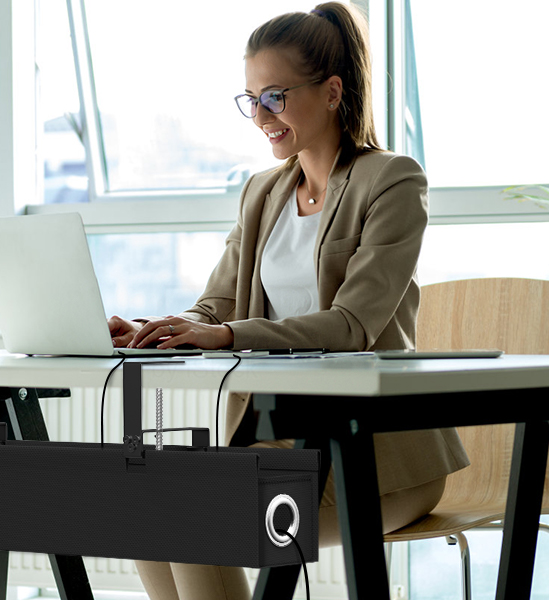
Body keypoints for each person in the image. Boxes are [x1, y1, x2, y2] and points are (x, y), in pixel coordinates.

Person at [105, 3, 469, 598]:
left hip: (377, 458)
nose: (260, 116)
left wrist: (226, 336)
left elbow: (353, 324)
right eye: (250, 99)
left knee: (192, 514)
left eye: (273, 96)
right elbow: (215, 307)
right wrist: (160, 329)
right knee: (143, 499)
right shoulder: (262, 192)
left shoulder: (392, 181)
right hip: (276, 442)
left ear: (331, 92)